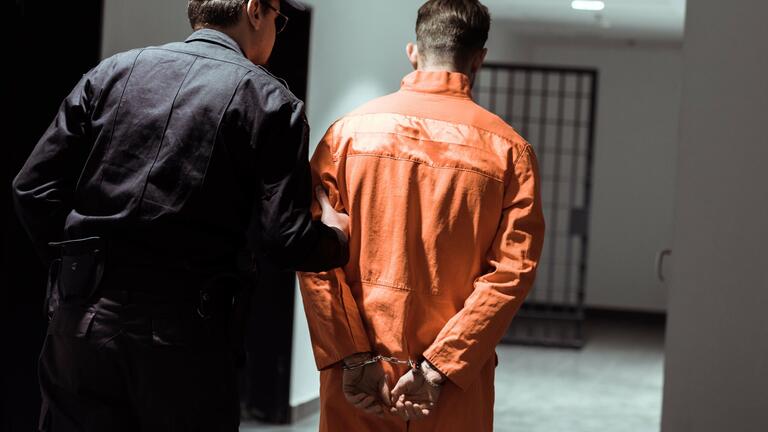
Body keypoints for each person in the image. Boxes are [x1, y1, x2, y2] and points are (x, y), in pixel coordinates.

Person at [11, 1, 350, 431]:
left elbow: (32, 188)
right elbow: (284, 239)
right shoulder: (270, 102)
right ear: (254, 11)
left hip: (82, 324)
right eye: (278, 19)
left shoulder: (112, 71)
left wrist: (79, 270)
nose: (278, 32)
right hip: (186, 338)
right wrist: (335, 238)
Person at [297, 0, 546, 430]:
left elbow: (315, 255)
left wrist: (354, 356)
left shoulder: (346, 136)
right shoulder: (510, 154)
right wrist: (438, 367)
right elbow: (511, 274)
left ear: (413, 51)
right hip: (449, 389)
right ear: (479, 59)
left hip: (360, 382)